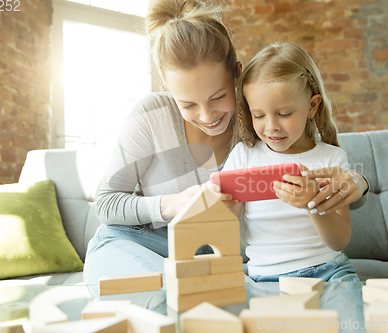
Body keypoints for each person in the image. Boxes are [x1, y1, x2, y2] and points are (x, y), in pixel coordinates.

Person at [83, 0, 366, 300]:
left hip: (203, 256)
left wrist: (361, 182)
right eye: (188, 104)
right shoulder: (152, 114)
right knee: (170, 296)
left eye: (218, 96)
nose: (207, 116)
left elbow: (323, 176)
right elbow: (106, 204)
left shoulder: (257, 130)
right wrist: (175, 204)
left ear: (237, 76)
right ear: (169, 90)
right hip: (131, 242)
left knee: (204, 300)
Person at [217, 42, 359, 282]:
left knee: (351, 320)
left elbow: (340, 241)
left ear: (312, 106)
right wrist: (225, 209)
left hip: (329, 270)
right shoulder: (244, 156)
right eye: (259, 115)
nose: (271, 126)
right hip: (266, 276)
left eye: (284, 114)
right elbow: (222, 232)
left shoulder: (331, 159)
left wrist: (313, 204)